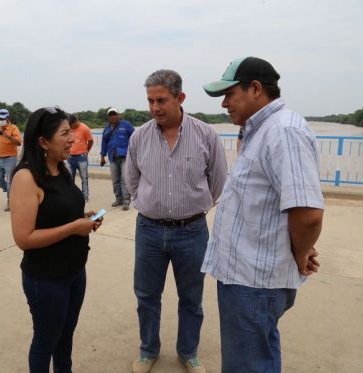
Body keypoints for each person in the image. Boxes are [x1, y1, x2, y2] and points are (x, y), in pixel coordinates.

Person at [201, 56, 324, 373]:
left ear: (255, 89)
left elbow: (308, 213)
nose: (225, 103)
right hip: (244, 277)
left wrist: (299, 254)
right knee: (255, 357)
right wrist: (301, 249)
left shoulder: (283, 132)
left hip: (254, 283)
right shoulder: (260, 130)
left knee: (250, 364)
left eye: (229, 94)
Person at [125, 70, 227, 373]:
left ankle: (188, 352)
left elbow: (218, 181)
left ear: (180, 98)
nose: (155, 107)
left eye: (161, 100)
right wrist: (150, 204)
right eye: (150, 101)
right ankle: (148, 350)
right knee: (146, 296)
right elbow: (132, 181)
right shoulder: (140, 136)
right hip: (149, 230)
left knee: (192, 298)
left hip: (193, 231)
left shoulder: (206, 134)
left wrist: (194, 209)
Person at [10, 107, 103, 373]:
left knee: (65, 338)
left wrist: (83, 217)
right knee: (45, 342)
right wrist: (74, 226)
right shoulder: (26, 178)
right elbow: (24, 238)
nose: (72, 139)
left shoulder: (61, 170)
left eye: (71, 132)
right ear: (42, 142)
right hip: (47, 280)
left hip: (74, 272)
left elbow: (59, 214)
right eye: (65, 134)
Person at [100, 107, 134, 210]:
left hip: (125, 157)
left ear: (118, 115)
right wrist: (102, 156)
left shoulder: (126, 125)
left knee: (124, 179)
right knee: (115, 180)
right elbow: (104, 143)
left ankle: (126, 201)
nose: (113, 116)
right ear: (108, 117)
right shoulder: (106, 129)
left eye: (114, 114)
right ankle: (118, 199)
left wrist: (134, 152)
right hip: (112, 157)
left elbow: (135, 137)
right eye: (110, 115)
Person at [67, 113, 93, 202]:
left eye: (71, 124)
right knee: (70, 178)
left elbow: (90, 141)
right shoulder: (69, 128)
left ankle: (85, 196)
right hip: (70, 157)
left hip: (81, 157)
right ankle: (71, 195)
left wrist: (86, 151)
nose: (70, 126)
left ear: (75, 122)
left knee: (84, 177)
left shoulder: (84, 128)